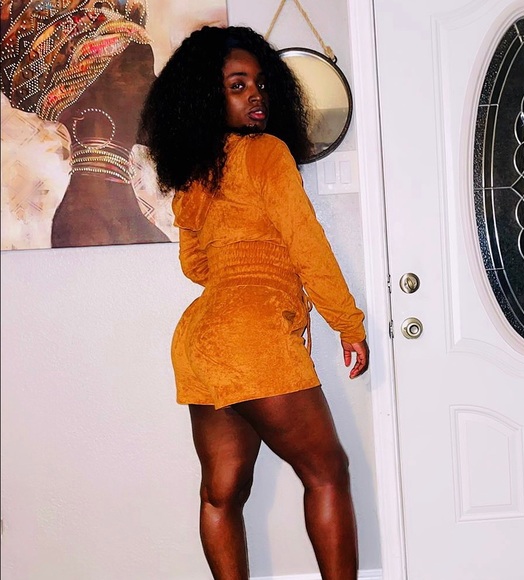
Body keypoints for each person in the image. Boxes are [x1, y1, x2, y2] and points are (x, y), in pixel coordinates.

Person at [139, 25, 370, 580]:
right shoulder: (267, 153)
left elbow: (195, 266)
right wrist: (348, 323)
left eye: (261, 84)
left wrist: (238, 266)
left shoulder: (195, 174)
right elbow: (307, 244)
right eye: (237, 85)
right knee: (327, 473)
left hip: (201, 339)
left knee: (221, 494)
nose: (256, 97)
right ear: (207, 96)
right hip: (253, 332)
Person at [1, 0, 169, 247]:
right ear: (94, 95)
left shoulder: (102, 207)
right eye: (143, 73)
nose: (157, 86)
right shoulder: (87, 224)